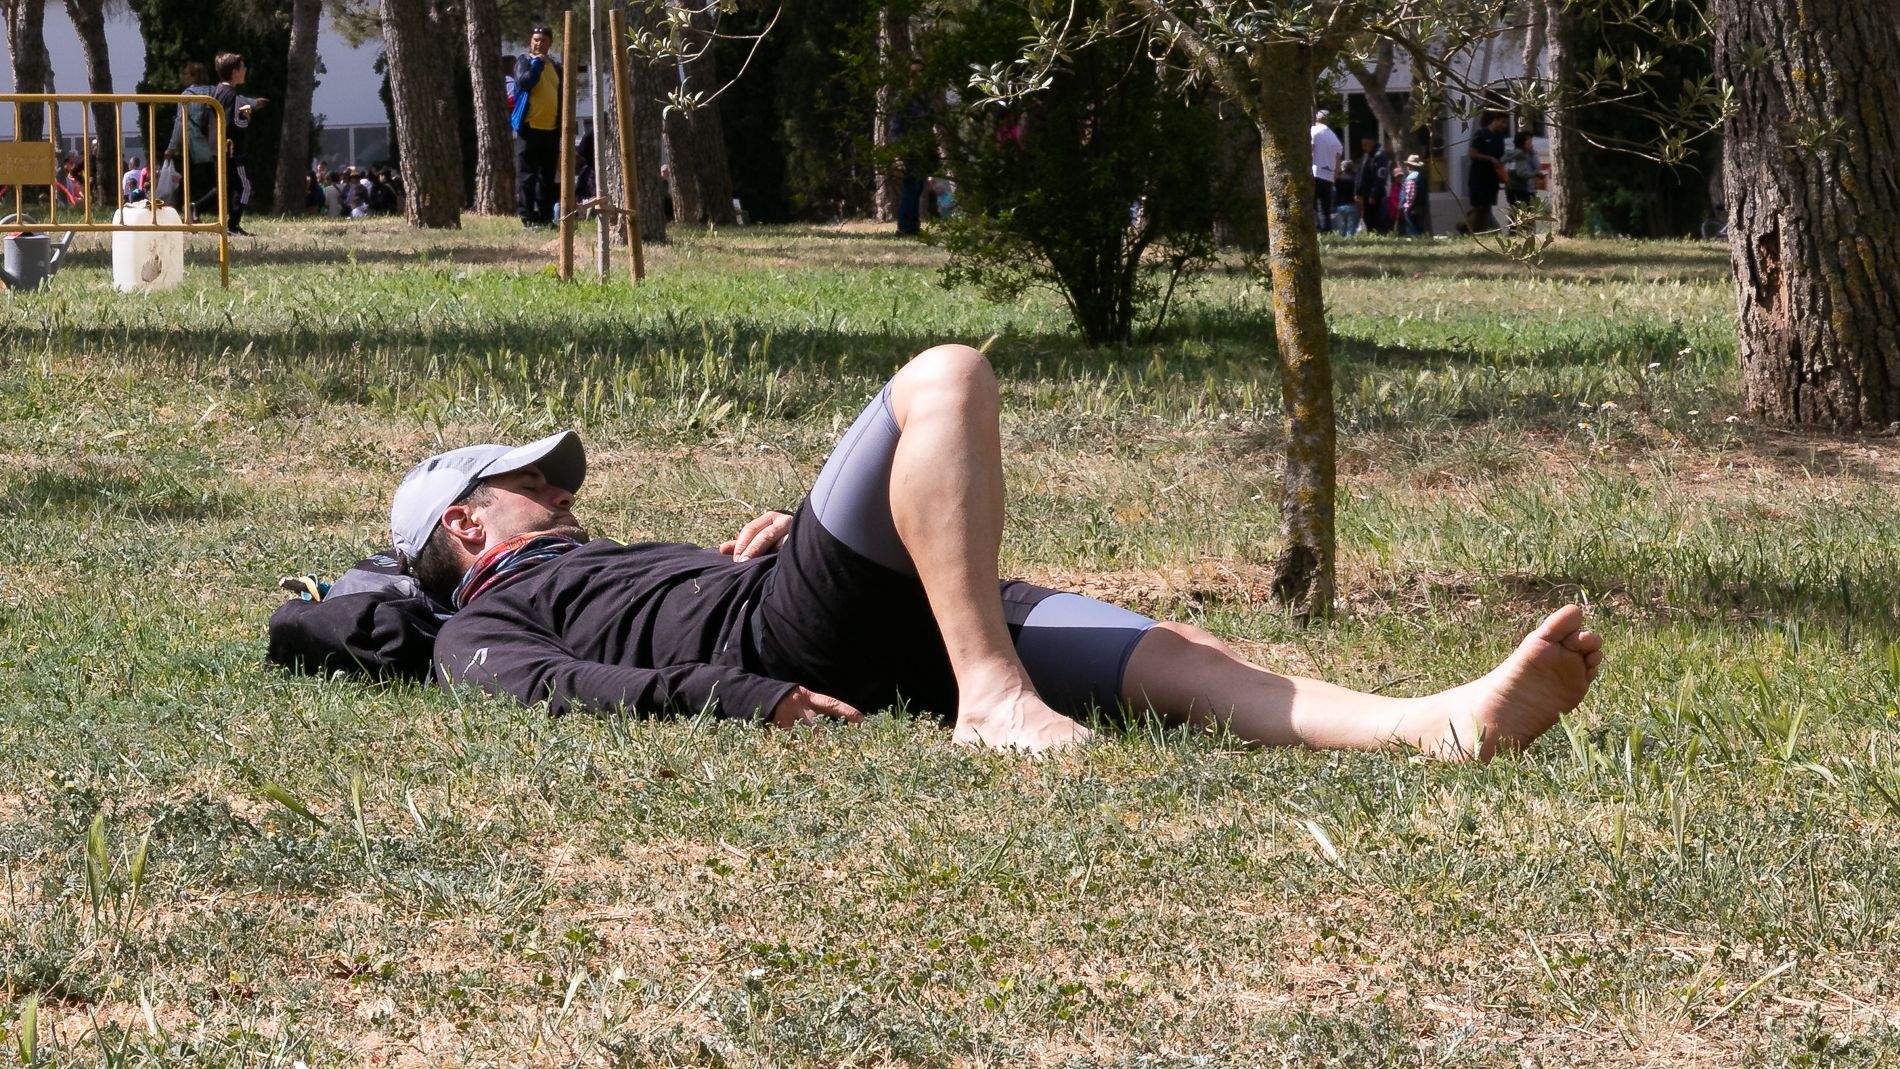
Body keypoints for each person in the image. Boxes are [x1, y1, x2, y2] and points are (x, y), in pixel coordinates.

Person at [397, 344, 1603, 757]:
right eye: (529, 480)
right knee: (946, 377)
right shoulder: (478, 620)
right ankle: (991, 699)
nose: (558, 485)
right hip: (786, 639)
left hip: (817, 611)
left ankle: (1435, 725)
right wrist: (738, 689)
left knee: (1171, 653)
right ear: (464, 525)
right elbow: (544, 686)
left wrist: (764, 545)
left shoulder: (602, 559)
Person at [194, 52, 266, 236]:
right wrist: (248, 113)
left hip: (217, 147)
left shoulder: (217, 91)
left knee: (224, 186)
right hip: (232, 150)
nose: (245, 70)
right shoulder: (233, 96)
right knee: (245, 187)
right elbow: (237, 124)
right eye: (243, 67)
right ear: (234, 71)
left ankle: (196, 207)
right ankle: (233, 225)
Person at [511, 25, 563, 227]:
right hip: (529, 127)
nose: (539, 43)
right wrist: (537, 65)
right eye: (535, 40)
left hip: (551, 130)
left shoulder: (555, 66)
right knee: (527, 176)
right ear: (530, 42)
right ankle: (526, 217)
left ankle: (545, 217)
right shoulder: (524, 61)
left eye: (543, 40)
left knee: (547, 177)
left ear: (550, 43)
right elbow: (525, 83)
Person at [1464, 112, 1508, 235]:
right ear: (1495, 119)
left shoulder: (1500, 137)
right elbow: (1472, 154)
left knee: (1487, 206)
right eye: (1503, 122)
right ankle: (1468, 229)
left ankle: (1478, 231)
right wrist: (1489, 158)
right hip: (1478, 177)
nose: (1505, 126)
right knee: (1479, 206)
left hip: (1492, 178)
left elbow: (1500, 156)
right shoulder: (1481, 134)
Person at [1307, 111, 1343, 233]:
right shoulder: (1333, 136)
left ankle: (1314, 230)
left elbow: (1311, 151)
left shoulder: (1314, 131)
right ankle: (1326, 230)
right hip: (1328, 176)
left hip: (1315, 172)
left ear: (1317, 119)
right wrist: (1335, 176)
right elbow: (1338, 159)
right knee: (1325, 207)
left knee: (1311, 205)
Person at [1353, 136, 1390, 234]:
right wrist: (1358, 192)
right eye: (1362, 145)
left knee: (1376, 220)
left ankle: (1378, 237)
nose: (1364, 147)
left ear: (1371, 142)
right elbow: (1361, 175)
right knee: (1368, 220)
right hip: (1365, 194)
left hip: (1374, 195)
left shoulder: (1379, 155)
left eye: (1365, 145)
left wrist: (1374, 194)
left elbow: (1380, 178)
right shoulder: (1367, 155)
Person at [1503, 129, 1538, 224]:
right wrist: (1535, 174)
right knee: (1523, 212)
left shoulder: (1512, 153)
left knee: (1516, 211)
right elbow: (1521, 173)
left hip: (1511, 188)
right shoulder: (1521, 155)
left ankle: (1514, 231)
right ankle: (1516, 231)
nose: (1531, 144)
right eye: (1529, 141)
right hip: (1520, 188)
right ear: (1523, 143)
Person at [1398, 153, 1428, 237]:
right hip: (1421, 206)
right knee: (1419, 228)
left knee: (1412, 231)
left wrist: (1407, 206)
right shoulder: (1422, 176)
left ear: (1409, 166)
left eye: (1407, 165)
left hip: (1412, 209)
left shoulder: (1412, 177)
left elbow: (1410, 194)